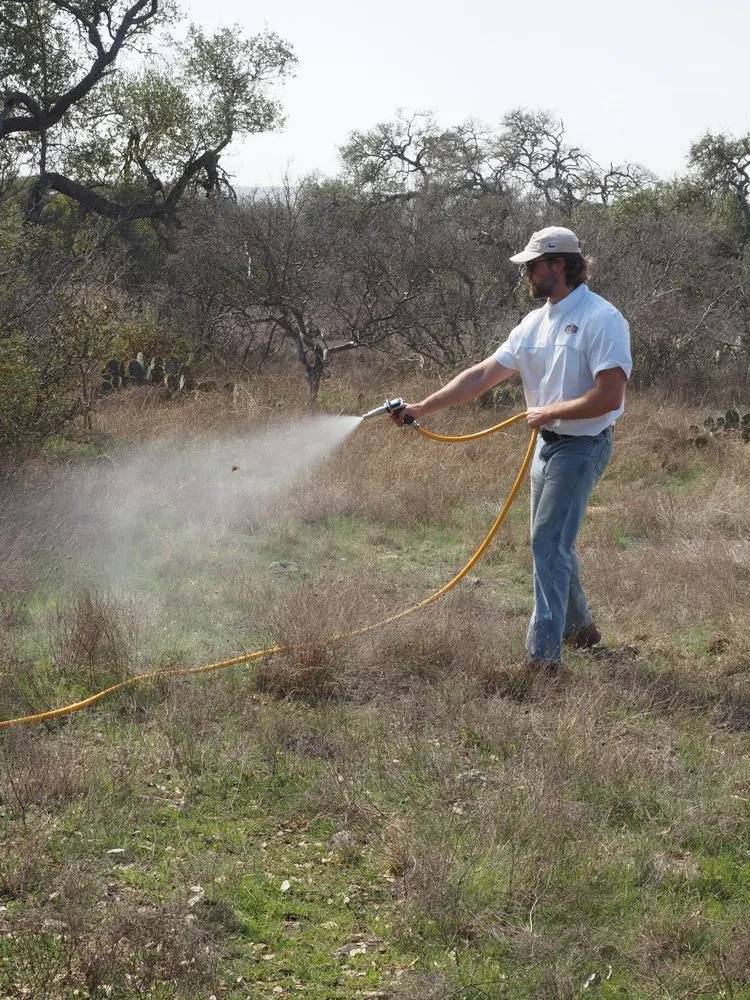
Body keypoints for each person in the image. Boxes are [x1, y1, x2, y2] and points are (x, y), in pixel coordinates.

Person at [392, 226, 632, 670]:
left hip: (582, 448)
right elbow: (484, 374)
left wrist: (551, 411)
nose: (527, 272)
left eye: (533, 265)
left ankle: (543, 661)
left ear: (559, 265)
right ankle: (579, 628)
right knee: (554, 542)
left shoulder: (603, 319)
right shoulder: (535, 322)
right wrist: (422, 408)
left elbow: (610, 396)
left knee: (547, 544)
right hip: (546, 446)